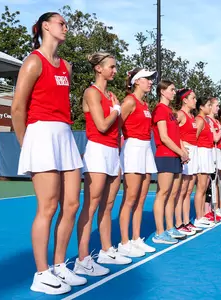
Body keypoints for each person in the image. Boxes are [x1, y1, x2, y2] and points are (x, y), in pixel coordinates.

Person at [11, 12, 86, 295]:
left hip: (64, 133)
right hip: (41, 133)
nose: (65, 27)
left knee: (71, 204)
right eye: (61, 23)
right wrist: (26, 143)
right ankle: (41, 274)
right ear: (45, 26)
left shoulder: (65, 66)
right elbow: (17, 108)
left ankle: (58, 266)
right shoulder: (33, 61)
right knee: (48, 206)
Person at [75, 51, 132, 276]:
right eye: (111, 66)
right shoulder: (92, 92)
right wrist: (117, 111)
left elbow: (116, 130)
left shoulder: (111, 96)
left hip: (112, 154)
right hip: (97, 152)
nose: (115, 71)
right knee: (91, 206)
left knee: (108, 206)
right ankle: (82, 258)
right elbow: (101, 125)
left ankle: (106, 250)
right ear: (99, 68)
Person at [117, 67, 158, 257]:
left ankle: (135, 239)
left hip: (146, 149)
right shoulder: (129, 101)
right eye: (147, 79)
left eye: (150, 79)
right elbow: (116, 128)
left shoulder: (145, 104)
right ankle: (124, 243)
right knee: (130, 198)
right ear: (136, 81)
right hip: (132, 148)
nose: (150, 82)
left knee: (141, 199)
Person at [151, 79, 189, 244]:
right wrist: (181, 152)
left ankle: (169, 227)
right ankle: (160, 233)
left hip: (175, 156)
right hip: (165, 155)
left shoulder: (170, 111)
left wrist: (183, 151)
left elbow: (176, 135)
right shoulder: (160, 109)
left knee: (173, 194)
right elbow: (164, 137)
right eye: (172, 90)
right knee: (163, 193)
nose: (174, 93)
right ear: (162, 91)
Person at [174, 88, 201, 235]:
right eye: (193, 98)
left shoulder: (191, 116)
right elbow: (172, 132)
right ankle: (178, 223)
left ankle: (186, 221)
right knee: (182, 190)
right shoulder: (179, 115)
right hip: (187, 152)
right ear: (184, 100)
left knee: (189, 190)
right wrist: (181, 148)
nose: (195, 100)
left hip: (194, 152)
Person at [194, 97, 219, 228]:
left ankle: (202, 214)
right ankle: (198, 217)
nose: (210, 107)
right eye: (208, 105)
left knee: (205, 187)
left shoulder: (206, 121)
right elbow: (195, 138)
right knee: (201, 188)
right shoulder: (199, 120)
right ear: (201, 107)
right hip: (202, 153)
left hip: (208, 153)